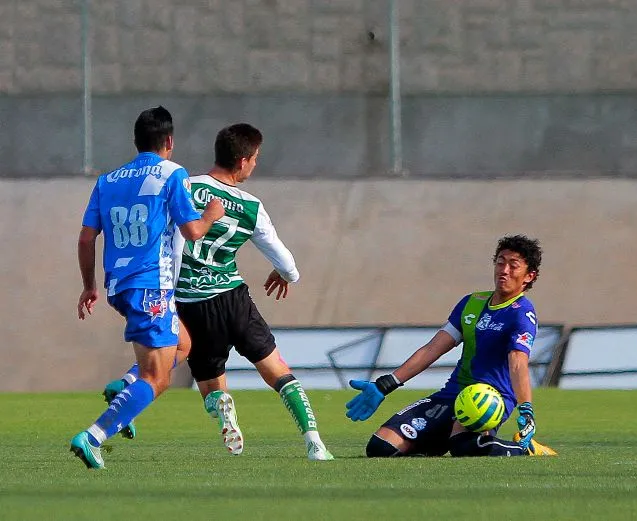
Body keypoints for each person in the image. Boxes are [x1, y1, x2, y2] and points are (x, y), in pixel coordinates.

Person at [104, 123, 334, 461]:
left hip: (188, 302)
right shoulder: (251, 205)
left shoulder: (183, 185)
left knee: (206, 379)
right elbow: (287, 262)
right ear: (242, 161)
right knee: (277, 370)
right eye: (255, 159)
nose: (255, 165)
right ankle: (314, 442)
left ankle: (210, 403)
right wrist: (285, 274)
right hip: (232, 298)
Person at [71, 106, 224, 469]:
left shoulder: (107, 180)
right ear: (169, 141)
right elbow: (193, 231)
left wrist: (88, 286)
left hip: (119, 286)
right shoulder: (173, 174)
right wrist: (211, 215)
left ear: (136, 141)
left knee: (183, 344)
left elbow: (85, 238)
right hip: (150, 285)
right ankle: (93, 436)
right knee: (158, 377)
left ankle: (124, 384)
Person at [345, 234, 557, 457]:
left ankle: (527, 450)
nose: (504, 270)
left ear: (529, 276)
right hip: (453, 393)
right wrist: (387, 383)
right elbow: (433, 348)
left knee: (464, 447)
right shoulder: (471, 303)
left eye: (513, 266)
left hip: (489, 397)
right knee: (380, 448)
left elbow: (518, 362)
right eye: (500, 262)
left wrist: (526, 408)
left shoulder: (522, 313)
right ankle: (435, 441)